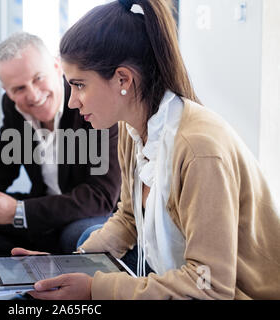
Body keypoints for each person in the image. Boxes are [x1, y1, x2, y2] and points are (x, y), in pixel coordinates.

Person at [22, 0, 280, 300]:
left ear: (123, 79)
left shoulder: (199, 150)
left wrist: (95, 288)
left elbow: (211, 287)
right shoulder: (133, 130)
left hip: (236, 293)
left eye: (79, 85)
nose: (72, 101)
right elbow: (129, 218)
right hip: (177, 272)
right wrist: (62, 266)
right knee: (71, 257)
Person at [0, 32, 121, 255]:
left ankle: (51, 264)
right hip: (44, 211)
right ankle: (31, 267)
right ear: (8, 92)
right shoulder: (13, 106)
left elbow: (101, 196)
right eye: (19, 89)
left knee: (80, 235)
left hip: (90, 214)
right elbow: (2, 165)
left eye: (38, 78)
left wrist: (19, 212)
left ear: (57, 67)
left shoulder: (90, 101)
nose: (33, 95)